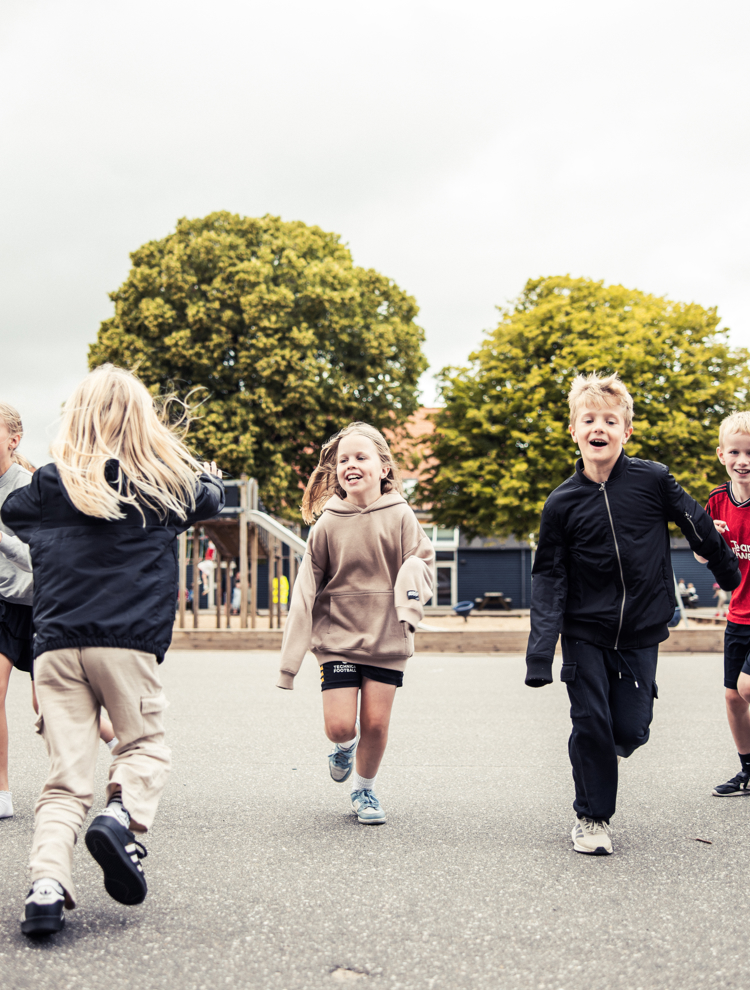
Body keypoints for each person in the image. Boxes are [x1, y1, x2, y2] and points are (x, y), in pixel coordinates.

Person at [1, 365, 224, 936]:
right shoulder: (162, 483)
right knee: (145, 746)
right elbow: (210, 497)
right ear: (144, 422)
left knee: (63, 778)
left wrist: (58, 474)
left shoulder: (53, 485)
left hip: (55, 645)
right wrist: (202, 472)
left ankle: (46, 887)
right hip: (125, 642)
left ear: (76, 418)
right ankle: (120, 816)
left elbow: (13, 511)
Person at [525, 372, 739, 856]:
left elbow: (696, 522)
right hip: (585, 631)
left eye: (609, 420)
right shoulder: (561, 503)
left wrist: (730, 574)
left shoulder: (653, 479)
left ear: (626, 431)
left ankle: (599, 749)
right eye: (589, 419)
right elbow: (549, 578)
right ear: (574, 430)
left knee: (630, 730)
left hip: (642, 628)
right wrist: (540, 655)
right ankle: (592, 817)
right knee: (592, 721)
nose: (598, 427)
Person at [277, 422, 434, 825]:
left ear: (383, 468)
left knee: (377, 725)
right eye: (343, 459)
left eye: (361, 457)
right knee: (340, 725)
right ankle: (343, 747)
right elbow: (305, 589)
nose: (350, 464)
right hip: (338, 640)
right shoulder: (326, 524)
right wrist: (290, 662)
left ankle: (364, 791)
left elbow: (424, 562)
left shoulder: (401, 514)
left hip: (387, 638)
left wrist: (411, 586)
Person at [0, 404, 117, 823]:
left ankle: (119, 742)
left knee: (46, 706)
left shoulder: (32, 488)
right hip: (0, 606)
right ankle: (2, 791)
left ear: (14, 439)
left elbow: (47, 556)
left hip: (40, 605)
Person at [695, 412, 750, 796]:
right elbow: (703, 559)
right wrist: (707, 540)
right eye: (735, 451)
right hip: (739, 613)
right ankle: (747, 769)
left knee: (748, 687)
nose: (743, 459)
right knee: (733, 696)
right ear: (721, 455)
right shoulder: (716, 500)